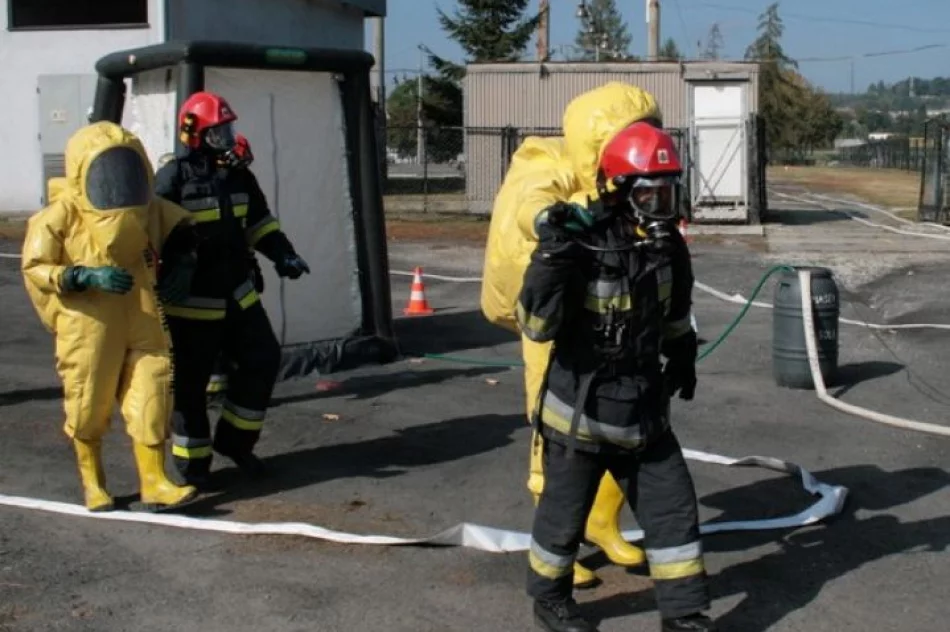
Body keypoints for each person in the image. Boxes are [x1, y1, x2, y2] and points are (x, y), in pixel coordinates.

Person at [518, 117, 714, 632]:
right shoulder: (583, 244)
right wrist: (551, 260)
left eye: (669, 196)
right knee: (561, 521)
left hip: (645, 414)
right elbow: (536, 326)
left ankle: (685, 617)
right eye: (651, 198)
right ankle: (550, 602)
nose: (662, 211)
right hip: (580, 415)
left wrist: (684, 354)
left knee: (674, 515)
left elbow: (675, 312)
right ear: (621, 192)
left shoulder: (669, 248)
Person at [481, 83, 664, 591]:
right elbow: (529, 200)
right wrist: (552, 219)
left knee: (622, 422)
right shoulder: (549, 165)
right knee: (558, 430)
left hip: (611, 319)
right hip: (553, 319)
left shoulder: (620, 178)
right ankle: (557, 545)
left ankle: (602, 522)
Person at [22, 121, 200, 512]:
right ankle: (93, 482)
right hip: (88, 323)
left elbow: (182, 228)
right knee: (88, 398)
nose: (118, 181)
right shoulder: (61, 215)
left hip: (140, 310)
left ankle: (154, 479)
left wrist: (183, 265)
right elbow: (35, 265)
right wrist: (81, 275)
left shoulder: (148, 208)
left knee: (153, 389)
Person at [154, 91, 310, 488]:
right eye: (218, 131)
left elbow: (260, 223)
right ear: (195, 133)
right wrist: (179, 258)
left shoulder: (238, 175)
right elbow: (151, 232)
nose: (227, 137)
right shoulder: (172, 177)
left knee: (264, 358)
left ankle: (236, 443)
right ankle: (194, 466)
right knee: (190, 386)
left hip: (238, 293)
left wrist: (283, 255)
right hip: (192, 304)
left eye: (228, 129)